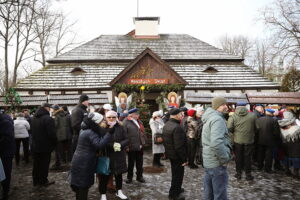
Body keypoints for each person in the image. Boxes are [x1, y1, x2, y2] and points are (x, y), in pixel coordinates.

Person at [70, 112, 112, 200]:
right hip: (84, 163)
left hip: (80, 160)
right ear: (95, 123)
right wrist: (109, 134)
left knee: (80, 186)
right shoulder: (90, 132)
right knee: (83, 186)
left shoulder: (84, 129)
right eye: (101, 121)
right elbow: (99, 145)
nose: (102, 123)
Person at [202, 97, 232, 200]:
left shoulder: (210, 117)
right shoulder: (217, 119)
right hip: (216, 162)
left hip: (209, 161)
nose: (226, 106)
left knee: (209, 193)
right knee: (220, 195)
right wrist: (224, 159)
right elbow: (216, 143)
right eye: (223, 104)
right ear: (217, 106)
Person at [98, 111, 129, 200]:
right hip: (107, 155)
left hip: (119, 155)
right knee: (105, 176)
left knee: (118, 175)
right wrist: (112, 146)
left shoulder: (121, 127)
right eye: (109, 117)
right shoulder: (103, 128)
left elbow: (126, 139)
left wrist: (120, 145)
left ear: (116, 118)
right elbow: (102, 141)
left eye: (113, 117)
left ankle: (119, 191)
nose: (111, 119)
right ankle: (103, 194)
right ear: (106, 118)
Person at [227, 102, 257, 180]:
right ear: (245, 106)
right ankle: (248, 174)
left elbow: (229, 128)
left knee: (238, 157)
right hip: (249, 140)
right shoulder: (253, 115)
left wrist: (235, 131)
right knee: (248, 157)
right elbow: (258, 127)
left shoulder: (233, 116)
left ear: (237, 107)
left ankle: (238, 174)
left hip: (237, 140)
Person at [163, 108, 188, 200]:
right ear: (177, 115)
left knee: (175, 174)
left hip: (171, 154)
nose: (182, 115)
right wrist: (184, 159)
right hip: (177, 156)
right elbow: (179, 146)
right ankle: (174, 194)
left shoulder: (167, 124)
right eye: (181, 114)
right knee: (178, 175)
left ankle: (177, 189)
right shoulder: (177, 127)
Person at [31, 103, 57, 186]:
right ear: (46, 108)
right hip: (45, 146)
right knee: (44, 164)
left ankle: (35, 180)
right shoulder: (48, 119)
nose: (50, 109)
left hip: (35, 145)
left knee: (36, 164)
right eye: (49, 108)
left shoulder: (34, 118)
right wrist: (54, 143)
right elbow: (52, 134)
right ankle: (43, 181)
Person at [123, 108, 147, 184]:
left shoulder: (139, 121)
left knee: (140, 163)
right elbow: (124, 135)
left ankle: (139, 176)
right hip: (131, 146)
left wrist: (144, 142)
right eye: (135, 114)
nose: (137, 116)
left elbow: (143, 132)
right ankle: (129, 177)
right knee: (131, 163)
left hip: (140, 146)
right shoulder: (126, 122)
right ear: (131, 115)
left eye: (138, 114)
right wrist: (126, 146)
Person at [255, 109, 281, 173]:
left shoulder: (259, 119)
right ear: (271, 114)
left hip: (260, 140)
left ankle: (259, 166)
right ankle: (267, 168)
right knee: (269, 155)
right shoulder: (274, 120)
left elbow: (256, 130)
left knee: (260, 154)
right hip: (270, 141)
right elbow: (276, 133)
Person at [278, 111, 300, 178]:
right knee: (296, 159)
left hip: (285, 144)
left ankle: (287, 171)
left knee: (286, 157)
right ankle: (295, 173)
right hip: (295, 146)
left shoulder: (281, 125)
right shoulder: (297, 129)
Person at [0, 112, 16, 200]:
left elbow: (7, 138)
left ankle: (5, 191)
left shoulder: (5, 122)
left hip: (6, 153)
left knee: (5, 173)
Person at [51, 105, 69, 170]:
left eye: (52, 109)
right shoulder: (64, 114)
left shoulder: (56, 116)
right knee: (63, 149)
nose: (51, 110)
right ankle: (64, 162)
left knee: (58, 150)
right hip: (65, 134)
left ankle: (59, 163)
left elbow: (55, 125)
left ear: (55, 109)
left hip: (58, 135)